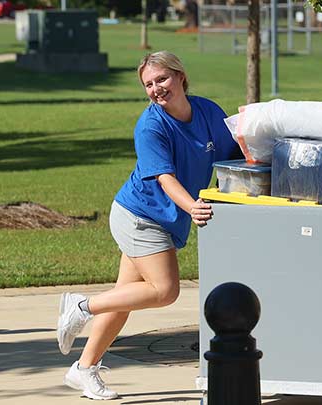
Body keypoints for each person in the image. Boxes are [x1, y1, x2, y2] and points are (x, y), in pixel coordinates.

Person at [56, 51, 240, 400]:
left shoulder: (208, 112)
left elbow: (234, 154)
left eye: (162, 79)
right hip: (140, 216)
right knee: (165, 290)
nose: (156, 88)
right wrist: (194, 207)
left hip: (160, 217)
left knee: (123, 300)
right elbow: (165, 178)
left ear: (181, 76)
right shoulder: (151, 125)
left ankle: (83, 370)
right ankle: (80, 307)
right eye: (149, 84)